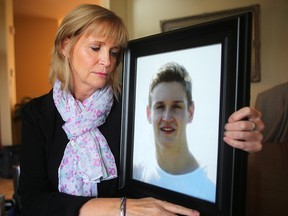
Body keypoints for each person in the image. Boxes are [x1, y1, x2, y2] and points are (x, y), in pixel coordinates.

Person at [18, 4, 264, 216]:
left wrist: (236, 136)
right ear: (65, 46)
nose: (108, 61)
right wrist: (119, 208)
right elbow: (31, 201)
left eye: (114, 52)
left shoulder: (130, 103)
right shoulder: (37, 114)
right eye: (96, 48)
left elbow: (169, 170)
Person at [133, 62, 215, 202]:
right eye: (159, 107)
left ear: (190, 112)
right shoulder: (137, 173)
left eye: (176, 107)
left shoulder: (211, 187)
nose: (167, 117)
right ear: (148, 114)